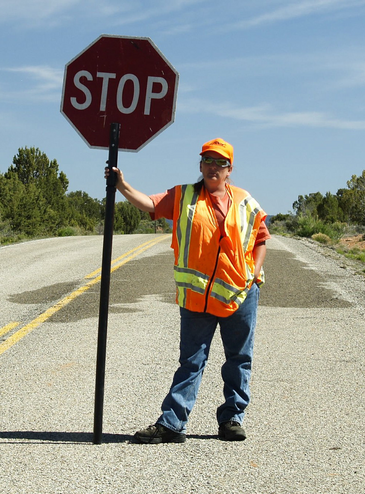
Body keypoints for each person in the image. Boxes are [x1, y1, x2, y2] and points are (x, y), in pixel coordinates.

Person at [106, 137, 270, 444]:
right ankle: (172, 423)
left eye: (220, 162)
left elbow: (261, 237)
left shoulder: (245, 201)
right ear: (200, 165)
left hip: (240, 294)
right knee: (191, 361)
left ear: (229, 169)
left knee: (239, 358)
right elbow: (151, 204)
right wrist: (122, 187)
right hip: (197, 298)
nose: (213, 167)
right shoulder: (183, 197)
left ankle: (232, 419)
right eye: (208, 161)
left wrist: (254, 273)